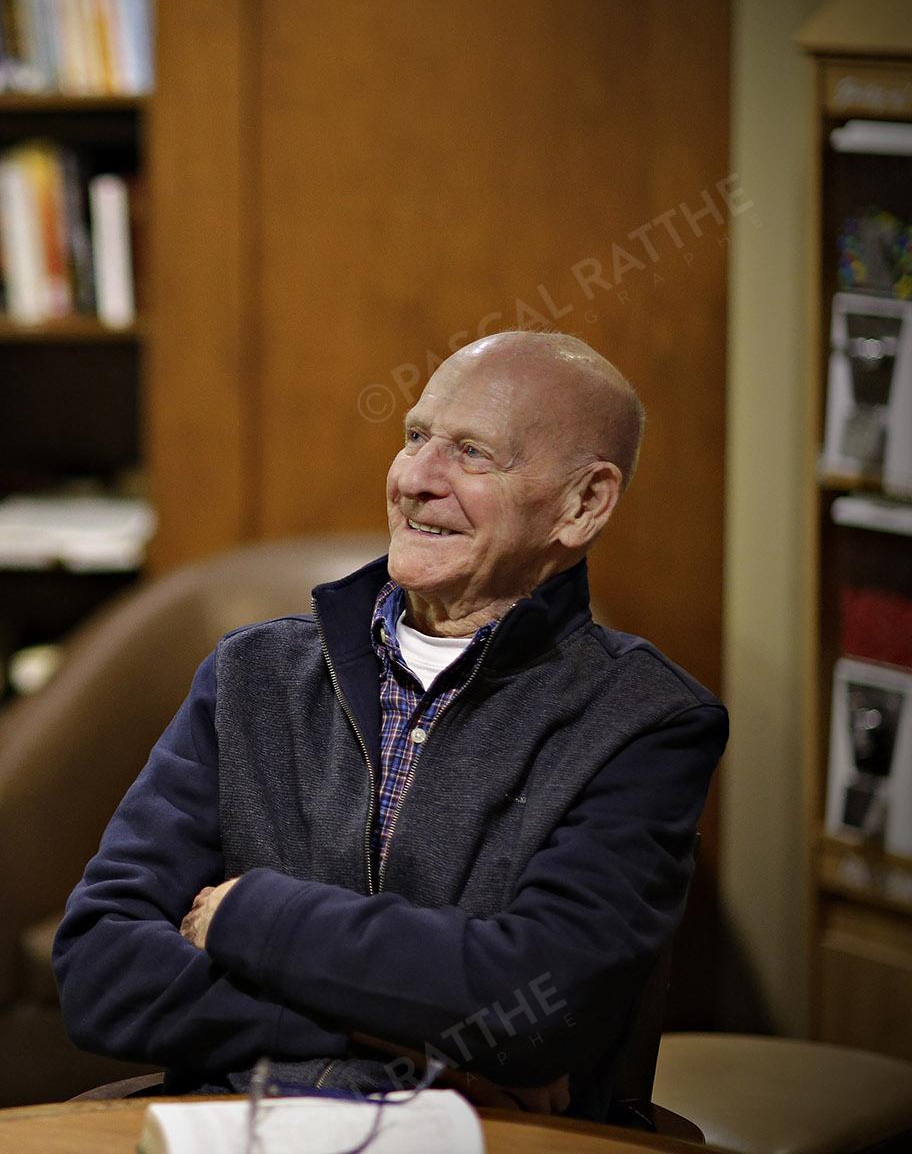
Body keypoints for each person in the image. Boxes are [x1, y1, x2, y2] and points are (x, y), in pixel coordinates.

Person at [52, 331, 728, 1123]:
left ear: (583, 504)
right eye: (415, 437)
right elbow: (100, 968)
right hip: (244, 1130)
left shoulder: (648, 722)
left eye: (473, 454)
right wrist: (396, 1046)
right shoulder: (250, 675)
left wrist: (246, 915)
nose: (414, 479)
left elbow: (536, 1006)